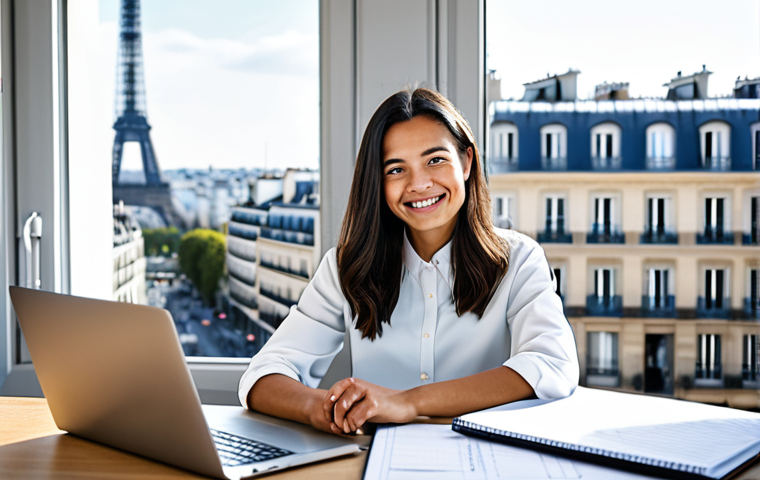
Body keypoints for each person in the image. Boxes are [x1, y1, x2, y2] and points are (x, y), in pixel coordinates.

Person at [238, 87, 579, 436]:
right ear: (377, 182)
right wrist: (327, 409)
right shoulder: (346, 267)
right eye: (396, 169)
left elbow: (551, 364)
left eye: (435, 160)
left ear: (466, 162)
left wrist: (409, 401)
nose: (419, 184)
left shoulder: (519, 260)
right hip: (373, 461)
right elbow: (263, 375)